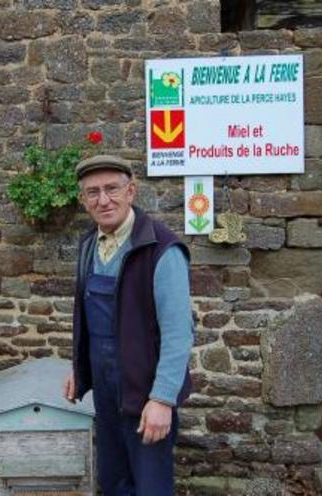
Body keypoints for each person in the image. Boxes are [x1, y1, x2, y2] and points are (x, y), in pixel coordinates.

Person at [63, 154, 194, 496]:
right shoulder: (90, 244)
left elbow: (179, 335)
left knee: (150, 486)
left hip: (145, 393)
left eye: (112, 189)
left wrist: (163, 400)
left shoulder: (161, 250)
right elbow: (89, 318)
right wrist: (80, 368)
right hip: (106, 392)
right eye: (92, 192)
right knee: (114, 481)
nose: (103, 200)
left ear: (131, 191)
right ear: (83, 200)